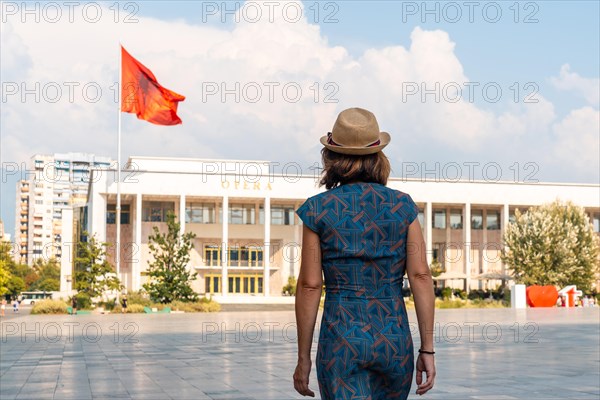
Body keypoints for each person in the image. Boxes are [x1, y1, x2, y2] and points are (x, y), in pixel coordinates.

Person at [293, 108, 436, 399]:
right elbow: (420, 276)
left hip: (341, 339)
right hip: (393, 339)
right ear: (378, 156)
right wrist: (427, 349)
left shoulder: (318, 209)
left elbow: (310, 285)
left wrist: (304, 357)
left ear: (331, 157)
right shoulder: (403, 207)